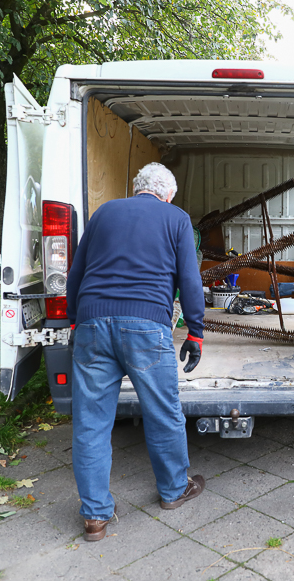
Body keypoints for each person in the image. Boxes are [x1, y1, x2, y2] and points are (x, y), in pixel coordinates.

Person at [65, 162, 206, 542]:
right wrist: (196, 331)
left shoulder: (104, 213)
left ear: (136, 188)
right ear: (168, 194)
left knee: (91, 422)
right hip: (146, 326)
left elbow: (76, 272)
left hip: (93, 322)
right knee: (163, 413)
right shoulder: (176, 219)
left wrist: (74, 320)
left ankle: (95, 517)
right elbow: (189, 279)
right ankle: (174, 490)